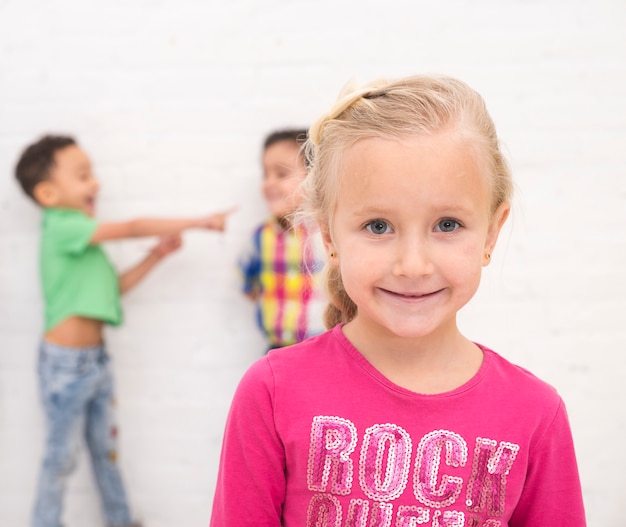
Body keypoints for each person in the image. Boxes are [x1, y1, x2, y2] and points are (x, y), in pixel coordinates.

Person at [210, 76, 586, 526]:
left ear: (491, 231)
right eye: (378, 226)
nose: (412, 266)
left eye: (447, 225)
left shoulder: (536, 415)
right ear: (329, 235)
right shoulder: (271, 392)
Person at [14, 134, 234, 527]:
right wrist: (197, 222)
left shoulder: (81, 240)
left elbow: (111, 292)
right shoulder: (62, 227)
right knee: (60, 458)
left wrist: (156, 256)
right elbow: (132, 226)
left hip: (95, 363)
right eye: (83, 175)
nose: (95, 183)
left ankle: (121, 520)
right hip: (65, 367)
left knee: (106, 451)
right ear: (47, 194)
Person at [238, 129, 325, 350]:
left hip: (326, 347)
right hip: (277, 349)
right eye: (265, 175)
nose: (269, 183)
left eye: (281, 174)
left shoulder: (329, 234)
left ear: (314, 178)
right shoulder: (260, 238)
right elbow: (250, 286)